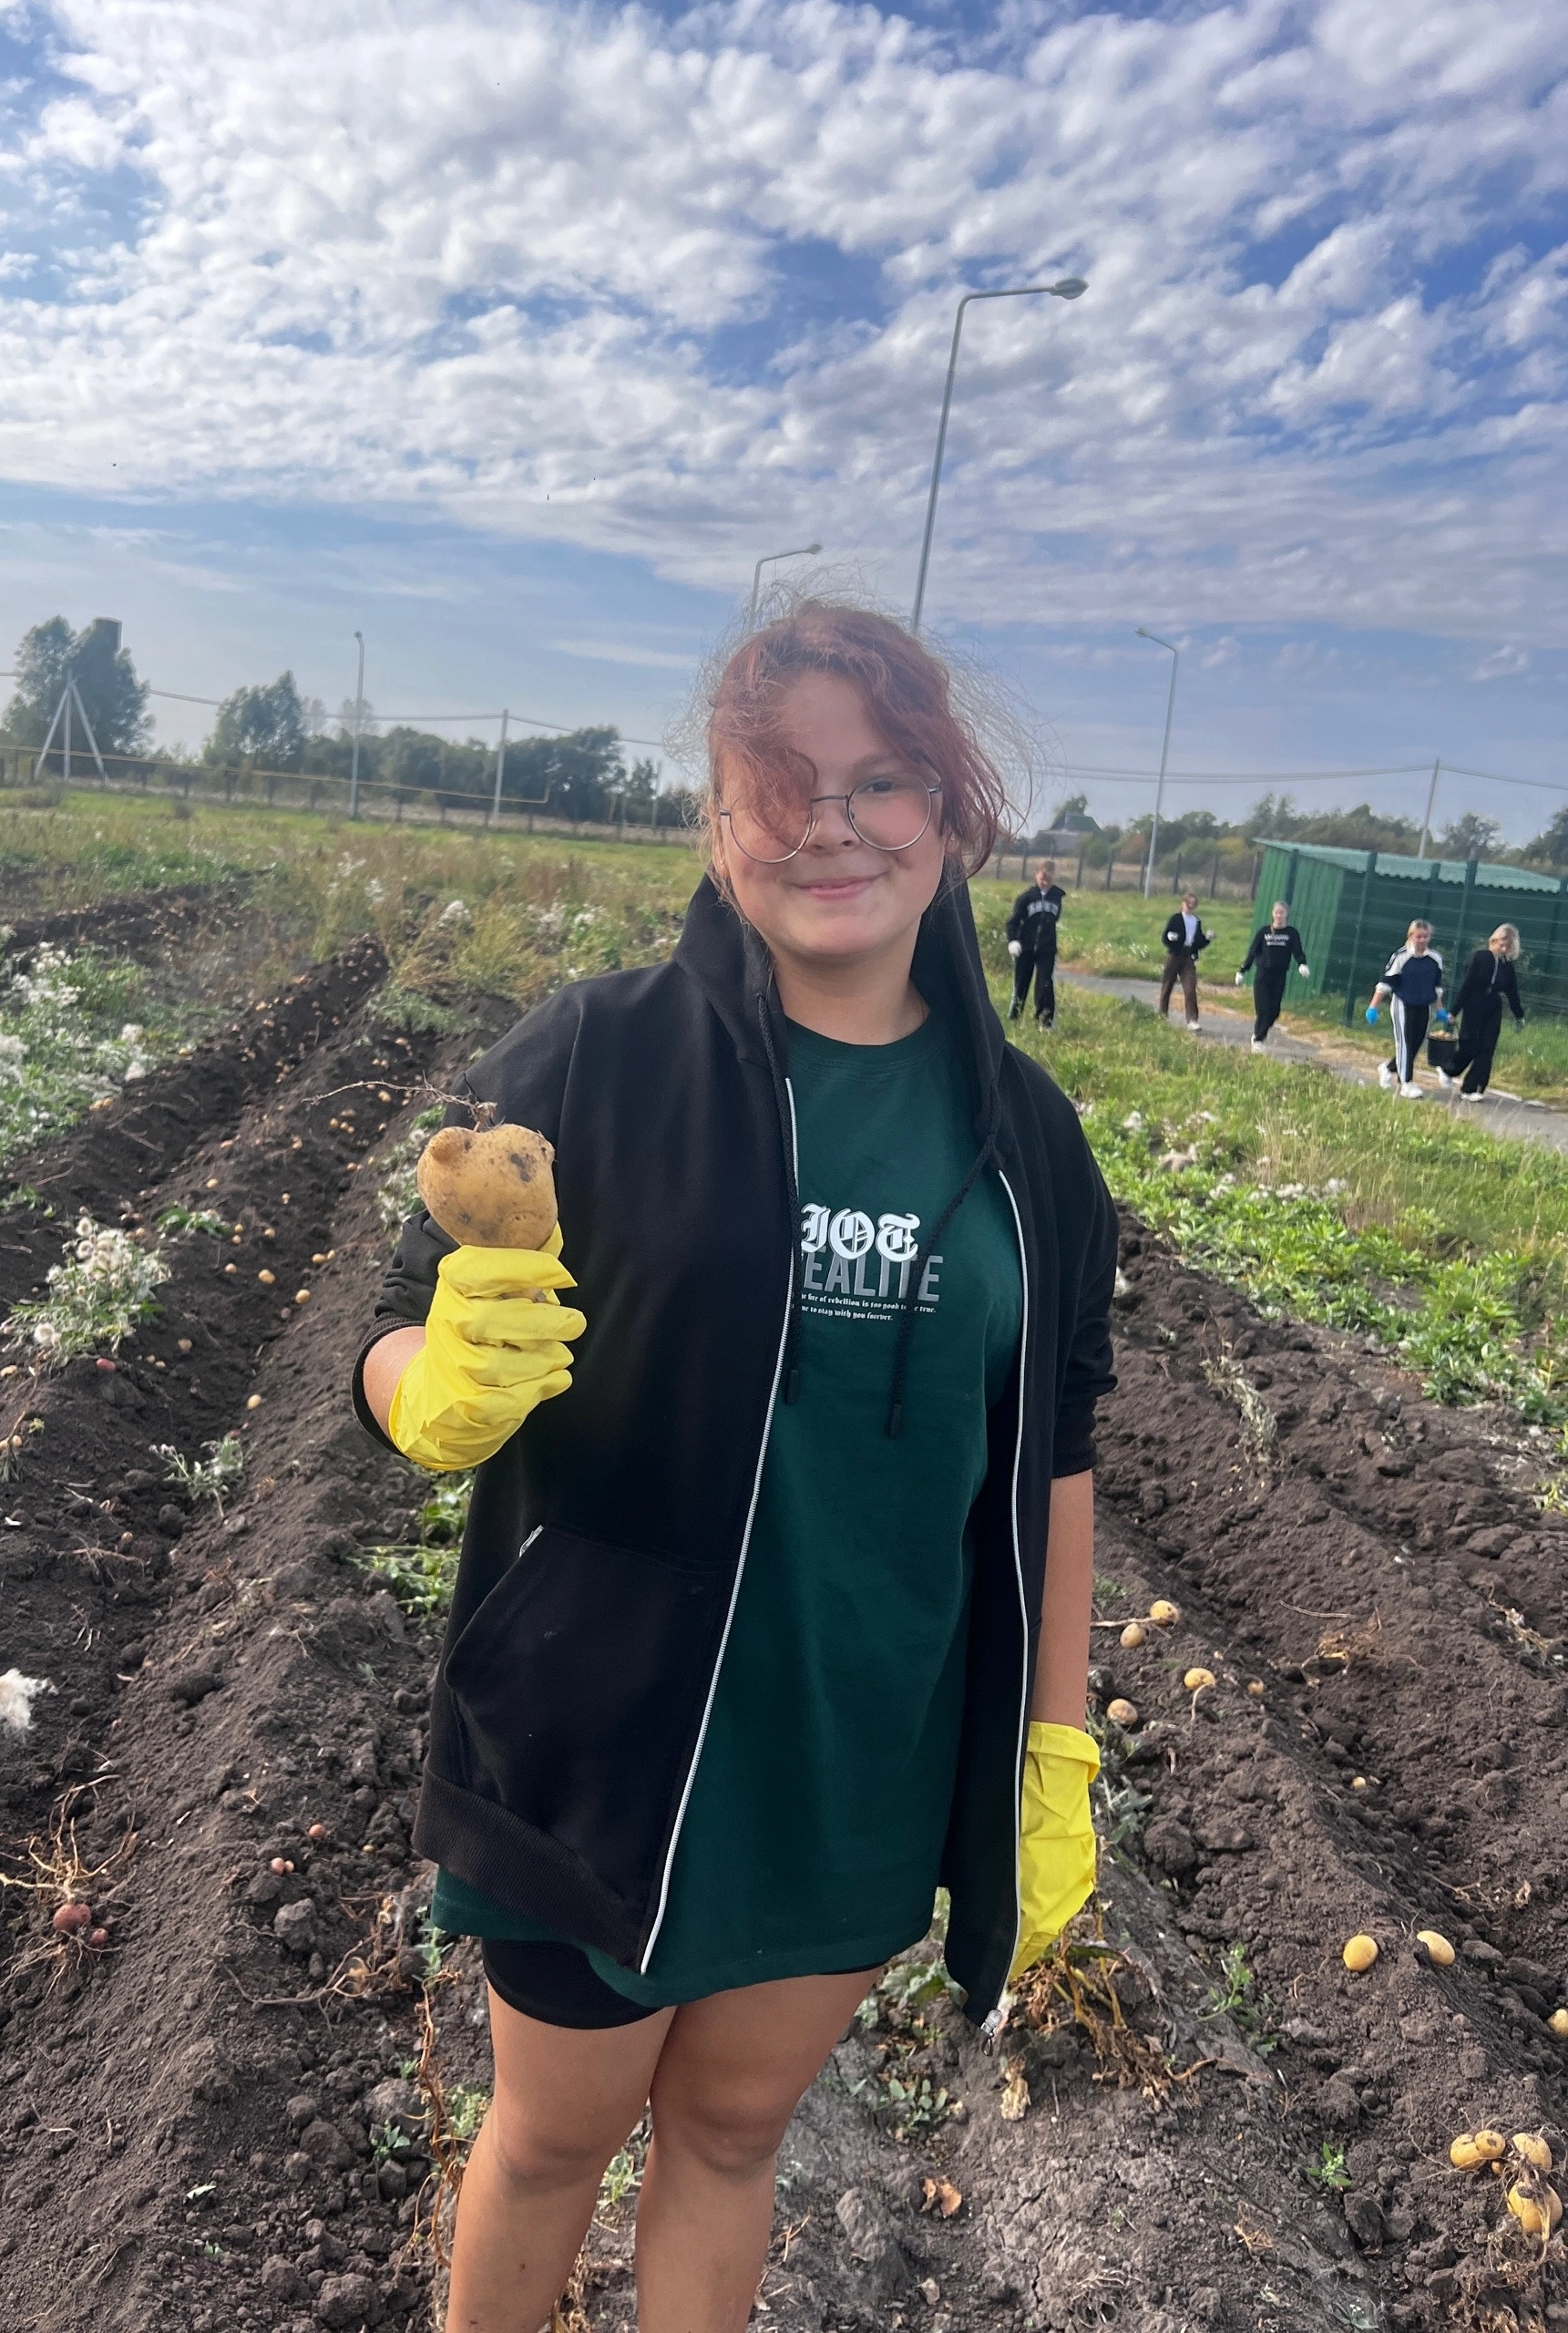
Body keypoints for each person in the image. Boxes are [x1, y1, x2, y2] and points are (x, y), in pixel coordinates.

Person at [353, 601, 1118, 2333]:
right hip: (604, 1733)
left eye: (881, 779)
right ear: (719, 825)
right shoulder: (595, 1057)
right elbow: (400, 1324)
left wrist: (1053, 1735)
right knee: (553, 2141)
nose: (830, 823)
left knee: (731, 2134)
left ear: (954, 814)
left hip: (857, 1749)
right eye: (781, 785)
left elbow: (1056, 1451)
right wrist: (432, 1389)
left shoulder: (1030, 1145)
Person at [1440, 922, 1523, 1103]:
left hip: (1493, 1006)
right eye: (1501, 944)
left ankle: (1473, 1088)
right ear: (1494, 940)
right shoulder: (1479, 957)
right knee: (1469, 1043)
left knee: (1487, 1048)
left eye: (1507, 946)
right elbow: (1467, 985)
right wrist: (1455, 1011)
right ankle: (1449, 1069)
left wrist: (1519, 1014)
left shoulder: (1507, 965)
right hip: (1474, 1003)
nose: (1503, 948)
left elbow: (1512, 991)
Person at [1370, 920, 1446, 1099]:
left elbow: (1436, 987)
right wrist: (1373, 1007)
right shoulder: (1401, 956)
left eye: (1425, 937)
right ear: (1411, 936)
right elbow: (1386, 983)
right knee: (1404, 1042)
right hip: (1403, 1003)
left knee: (1416, 1044)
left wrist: (1440, 1009)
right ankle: (1406, 1083)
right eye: (1418, 936)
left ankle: (1388, 1068)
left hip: (1424, 1005)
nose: (1422, 940)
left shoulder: (1435, 959)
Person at [1235, 899, 1309, 1048]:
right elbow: (1253, 952)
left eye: (1282, 912)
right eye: (1276, 912)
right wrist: (1242, 970)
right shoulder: (1264, 932)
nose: (1279, 916)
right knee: (1263, 1009)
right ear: (1272, 914)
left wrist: (1302, 964)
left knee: (1274, 1012)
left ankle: (1259, 1034)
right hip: (1263, 975)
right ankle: (1258, 1040)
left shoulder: (1291, 933)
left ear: (1287, 914)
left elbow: (1297, 951)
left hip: (1280, 975)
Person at [1004, 858, 1064, 1028]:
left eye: (1049, 877)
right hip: (1026, 946)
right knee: (1021, 981)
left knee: (1045, 982)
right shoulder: (1026, 897)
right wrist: (1013, 940)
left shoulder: (1057, 897)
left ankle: (1045, 1020)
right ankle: (1015, 1016)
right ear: (1036, 875)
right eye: (1042, 877)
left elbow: (1055, 917)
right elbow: (1013, 921)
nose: (1045, 881)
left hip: (1047, 947)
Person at [1157, 891, 1213, 1030]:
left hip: (1188, 957)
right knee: (1167, 985)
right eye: (1188, 904)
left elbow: (1198, 942)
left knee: (1190, 988)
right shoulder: (1176, 918)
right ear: (1183, 904)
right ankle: (1162, 1014)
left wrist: (1207, 939)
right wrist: (1171, 939)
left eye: (1193, 905)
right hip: (1174, 955)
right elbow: (1165, 937)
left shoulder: (1196, 921)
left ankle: (1192, 1020)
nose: (1190, 907)